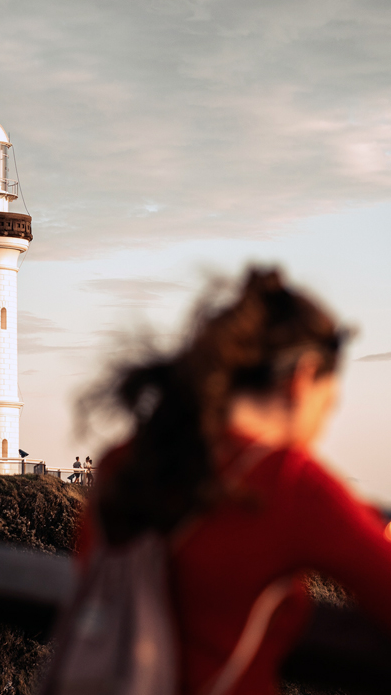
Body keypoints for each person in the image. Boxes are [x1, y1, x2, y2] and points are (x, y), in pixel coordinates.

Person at [75, 267, 391, 695]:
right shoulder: (287, 483)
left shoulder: (124, 461)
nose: (322, 429)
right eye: (327, 405)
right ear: (302, 379)